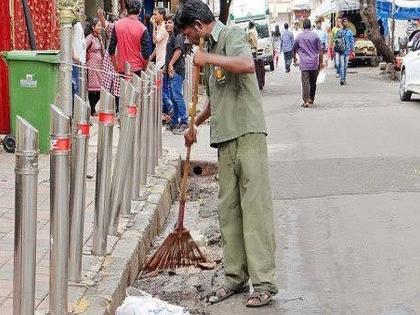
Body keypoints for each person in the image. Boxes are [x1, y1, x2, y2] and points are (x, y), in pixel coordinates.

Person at [176, 0, 278, 308]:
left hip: (247, 133)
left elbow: (246, 65)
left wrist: (207, 58)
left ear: (197, 26)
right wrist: (196, 122)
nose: (188, 41)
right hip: (224, 138)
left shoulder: (232, 35)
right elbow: (213, 98)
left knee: (255, 209)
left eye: (188, 34)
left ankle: (263, 282)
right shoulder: (205, 51)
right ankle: (235, 277)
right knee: (229, 211)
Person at [108, 0, 151, 77]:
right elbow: (146, 55)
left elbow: (111, 50)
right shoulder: (143, 28)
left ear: (127, 10)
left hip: (121, 68)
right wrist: (144, 68)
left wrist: (116, 67)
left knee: (123, 89)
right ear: (140, 10)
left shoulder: (117, 25)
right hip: (137, 69)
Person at [164, 14, 188, 134]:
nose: (167, 24)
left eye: (170, 22)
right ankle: (174, 121)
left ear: (174, 24)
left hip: (177, 71)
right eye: (166, 22)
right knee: (173, 97)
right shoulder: (171, 36)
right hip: (171, 70)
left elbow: (178, 51)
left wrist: (170, 64)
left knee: (177, 96)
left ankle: (184, 121)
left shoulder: (178, 36)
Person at [292, 18, 323, 108]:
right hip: (314, 62)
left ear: (303, 26)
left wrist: (294, 58)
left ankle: (306, 101)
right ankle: (311, 98)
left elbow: (293, 49)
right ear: (310, 26)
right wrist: (320, 62)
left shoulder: (299, 36)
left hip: (304, 63)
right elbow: (320, 50)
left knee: (305, 82)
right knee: (313, 82)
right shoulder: (315, 36)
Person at [86, 18, 104, 115]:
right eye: (98, 25)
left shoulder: (99, 37)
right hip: (92, 66)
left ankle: (93, 108)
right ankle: (92, 109)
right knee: (92, 89)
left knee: (99, 89)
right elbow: (83, 47)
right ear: (93, 27)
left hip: (99, 67)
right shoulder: (90, 37)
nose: (100, 27)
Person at [72, 7, 86, 99]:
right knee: (75, 88)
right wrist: (73, 55)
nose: (80, 13)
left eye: (80, 11)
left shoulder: (78, 24)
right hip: (74, 62)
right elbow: (68, 40)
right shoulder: (72, 25)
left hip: (80, 62)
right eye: (77, 11)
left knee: (79, 89)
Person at [335, 17, 354, 86]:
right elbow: (336, 40)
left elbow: (352, 42)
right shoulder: (339, 31)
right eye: (344, 21)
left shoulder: (350, 32)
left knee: (345, 66)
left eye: (346, 21)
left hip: (347, 51)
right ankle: (342, 79)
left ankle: (344, 78)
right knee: (342, 65)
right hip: (341, 51)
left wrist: (353, 51)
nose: (345, 23)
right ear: (342, 23)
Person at [247, 21, 265, 91]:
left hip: (250, 52)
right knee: (257, 68)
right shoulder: (254, 32)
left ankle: (256, 84)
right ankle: (260, 84)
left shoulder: (249, 32)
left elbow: (248, 41)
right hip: (254, 51)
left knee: (253, 70)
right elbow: (255, 42)